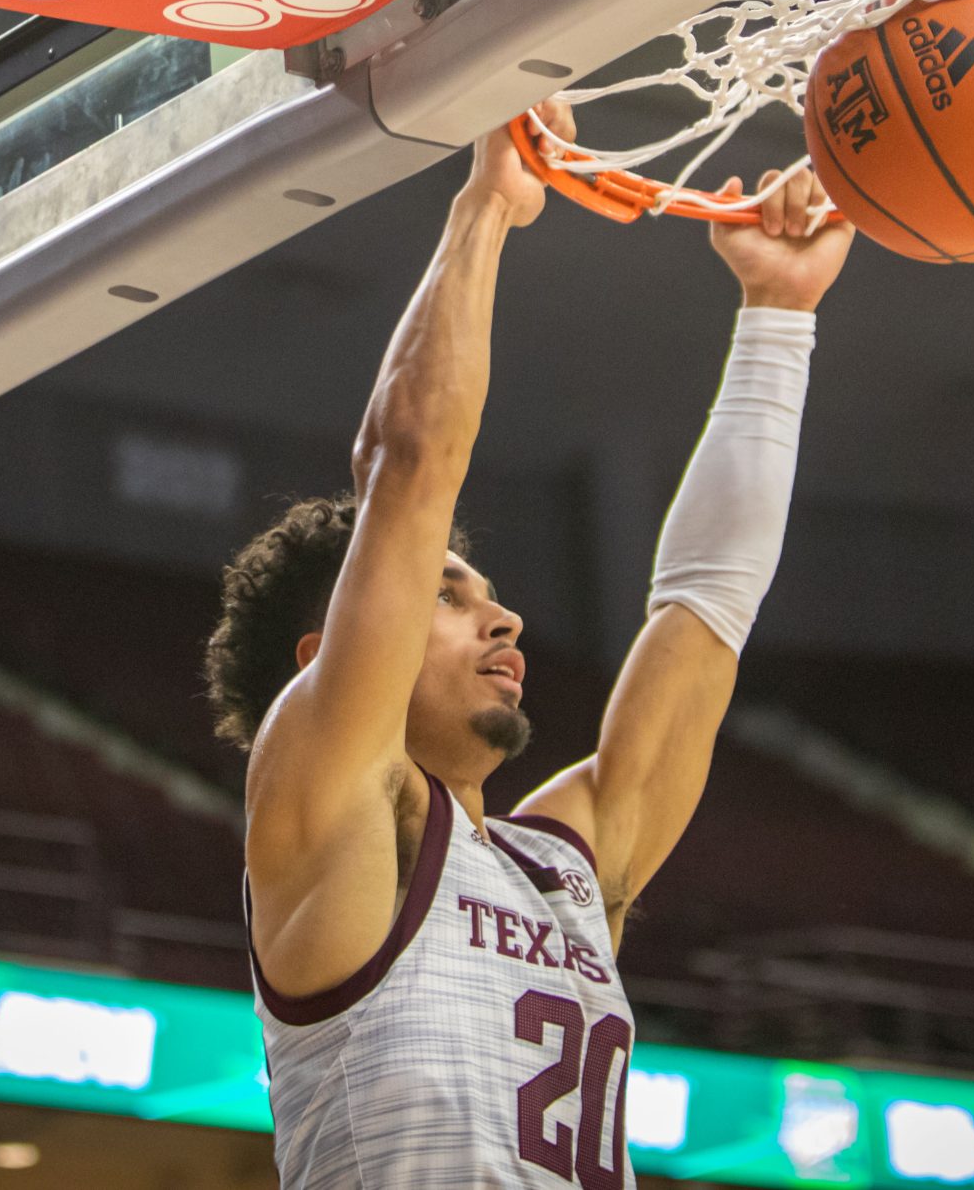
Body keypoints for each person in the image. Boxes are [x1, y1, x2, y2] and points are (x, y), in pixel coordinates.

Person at [201, 99, 853, 1188]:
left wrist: (778, 320)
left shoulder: (560, 865)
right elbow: (408, 463)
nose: (503, 620)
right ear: (327, 660)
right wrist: (488, 206)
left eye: (491, 597)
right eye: (450, 597)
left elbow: (704, 612)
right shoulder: (333, 808)